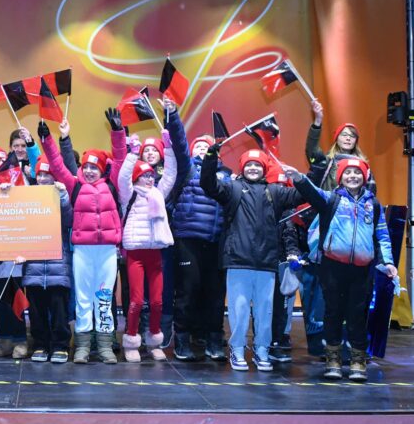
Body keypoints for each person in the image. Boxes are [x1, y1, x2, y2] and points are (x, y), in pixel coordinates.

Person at [287, 158, 397, 381]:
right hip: (332, 268)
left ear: (364, 177)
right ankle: (333, 359)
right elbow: (314, 192)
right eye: (348, 172)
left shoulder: (373, 204)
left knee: (358, 315)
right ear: (340, 177)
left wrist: (388, 262)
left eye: (358, 172)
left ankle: (357, 360)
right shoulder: (332, 199)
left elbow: (382, 236)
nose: (353, 176)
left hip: (362, 270)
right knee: (333, 313)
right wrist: (299, 178)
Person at [201, 148, 304, 372]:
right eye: (249, 165)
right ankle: (237, 350)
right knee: (238, 309)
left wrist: (302, 177)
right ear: (242, 168)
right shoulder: (233, 188)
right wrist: (210, 159)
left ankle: (262, 350)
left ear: (264, 169)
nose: (253, 168)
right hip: (238, 259)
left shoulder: (275, 191)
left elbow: (301, 195)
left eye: (257, 165)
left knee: (265, 310)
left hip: (266, 261)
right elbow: (208, 185)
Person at [39, 112, 127, 364]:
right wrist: (48, 139)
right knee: (83, 298)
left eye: (94, 167)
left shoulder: (113, 185)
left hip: (108, 251)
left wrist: (118, 131)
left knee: (105, 296)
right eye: (85, 167)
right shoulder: (74, 185)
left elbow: (120, 157)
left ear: (102, 169)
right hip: (83, 252)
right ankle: (82, 346)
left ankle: (105, 346)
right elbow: (57, 164)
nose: (88, 171)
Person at [170, 134, 232, 361]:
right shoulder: (185, 169)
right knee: (188, 290)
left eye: (207, 146)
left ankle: (214, 338)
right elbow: (178, 144)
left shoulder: (226, 174)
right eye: (199, 145)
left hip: (216, 240)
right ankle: (183, 339)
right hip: (189, 238)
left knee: (215, 293)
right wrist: (172, 116)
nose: (202, 149)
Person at [118, 131, 178, 362]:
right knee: (135, 301)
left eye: (152, 175)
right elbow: (123, 177)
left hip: (155, 254)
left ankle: (154, 341)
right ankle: (131, 340)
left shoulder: (158, 194)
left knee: (157, 301)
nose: (150, 179)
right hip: (135, 254)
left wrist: (170, 148)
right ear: (137, 178)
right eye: (145, 176)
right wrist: (133, 153)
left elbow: (170, 174)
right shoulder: (129, 194)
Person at [23, 157, 74, 363]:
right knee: (36, 310)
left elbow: (69, 220)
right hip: (33, 265)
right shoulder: (26, 196)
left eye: (47, 175)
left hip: (57, 264)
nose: (43, 178)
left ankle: (61, 345)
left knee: (59, 308)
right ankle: (40, 344)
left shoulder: (62, 195)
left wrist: (62, 196)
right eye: (40, 175)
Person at [305, 98, 376, 192]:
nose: (348, 138)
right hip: (329, 205)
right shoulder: (326, 163)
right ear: (336, 139)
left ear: (356, 141)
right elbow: (311, 150)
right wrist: (318, 120)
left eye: (352, 136)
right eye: (344, 134)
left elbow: (370, 194)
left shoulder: (364, 166)